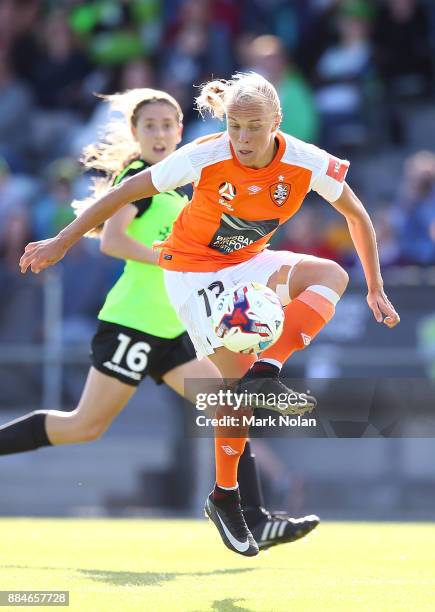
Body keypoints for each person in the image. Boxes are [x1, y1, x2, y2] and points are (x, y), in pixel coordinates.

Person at [19, 72, 400, 557]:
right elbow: (123, 192)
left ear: (277, 122)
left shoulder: (307, 161)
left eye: (254, 127)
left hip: (246, 263)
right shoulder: (206, 155)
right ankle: (227, 496)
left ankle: (267, 374)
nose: (242, 138)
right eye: (235, 126)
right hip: (193, 272)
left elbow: (357, 215)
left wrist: (377, 288)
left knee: (331, 277)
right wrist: (61, 241)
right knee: (224, 389)